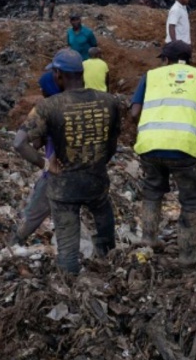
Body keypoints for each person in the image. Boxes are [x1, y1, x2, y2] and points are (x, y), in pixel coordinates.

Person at [13, 48, 122, 274]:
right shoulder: (108, 101)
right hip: (96, 181)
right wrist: (97, 163)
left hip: (63, 186)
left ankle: (70, 287)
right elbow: (112, 145)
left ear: (58, 75)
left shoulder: (49, 106)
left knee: (68, 247)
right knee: (104, 227)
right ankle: (108, 271)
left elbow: (19, 143)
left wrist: (46, 164)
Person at [130, 41, 196, 265]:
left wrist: (148, 134)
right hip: (187, 149)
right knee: (192, 200)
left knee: (152, 191)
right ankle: (187, 255)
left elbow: (134, 113)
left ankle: (149, 239)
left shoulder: (151, 76)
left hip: (150, 146)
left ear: (166, 60)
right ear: (189, 59)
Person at [10, 69, 61, 245]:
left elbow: (28, 143)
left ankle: (13, 244)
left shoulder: (45, 109)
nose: (41, 92)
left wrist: (44, 164)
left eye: (42, 89)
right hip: (82, 173)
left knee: (33, 214)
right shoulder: (73, 105)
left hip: (55, 173)